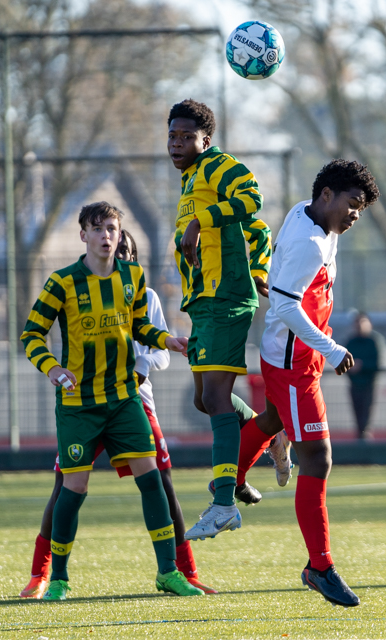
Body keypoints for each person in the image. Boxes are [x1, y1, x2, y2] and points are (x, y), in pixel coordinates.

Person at [18, 230, 217, 599]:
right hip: (85, 402)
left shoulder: (143, 292)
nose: (117, 253)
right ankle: (42, 573)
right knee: (65, 485)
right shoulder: (72, 284)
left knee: (162, 483)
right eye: (111, 244)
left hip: (134, 400)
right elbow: (34, 333)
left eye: (125, 249)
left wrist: (136, 367)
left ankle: (182, 570)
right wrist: (56, 369)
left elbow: (157, 348)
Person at [220, 158, 380, 606]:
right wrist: (331, 349)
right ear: (325, 194)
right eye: (352, 204)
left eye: (361, 209)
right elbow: (287, 309)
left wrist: (274, 280)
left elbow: (286, 280)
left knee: (272, 419)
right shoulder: (312, 240)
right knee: (319, 458)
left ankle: (228, 478)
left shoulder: (304, 214)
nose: (355, 215)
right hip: (294, 365)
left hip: (294, 360)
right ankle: (320, 566)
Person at [166, 99, 274, 541]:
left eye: (186, 136)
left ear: (205, 140)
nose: (176, 144)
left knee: (215, 398)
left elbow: (255, 204)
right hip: (202, 302)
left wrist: (201, 226)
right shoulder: (192, 179)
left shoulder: (217, 166)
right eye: (172, 136)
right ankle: (268, 436)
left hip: (227, 297)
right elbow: (254, 230)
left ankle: (225, 501)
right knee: (204, 401)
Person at [344, 312, 384, 440]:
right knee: (357, 413)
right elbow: (342, 362)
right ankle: (360, 436)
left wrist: (362, 366)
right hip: (354, 384)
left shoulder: (374, 341)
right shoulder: (350, 342)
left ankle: (365, 435)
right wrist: (351, 368)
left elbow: (376, 364)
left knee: (366, 413)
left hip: (368, 384)